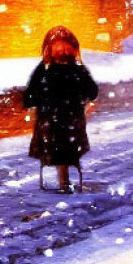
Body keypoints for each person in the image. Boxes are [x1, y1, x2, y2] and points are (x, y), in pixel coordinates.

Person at [20, 26, 98, 193]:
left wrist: (86, 97)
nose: (63, 50)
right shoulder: (44, 68)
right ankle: (63, 180)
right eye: (59, 47)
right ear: (50, 48)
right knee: (56, 149)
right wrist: (33, 103)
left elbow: (91, 90)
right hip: (50, 117)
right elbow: (32, 89)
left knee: (68, 149)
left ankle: (65, 179)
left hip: (71, 116)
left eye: (66, 47)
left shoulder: (78, 69)